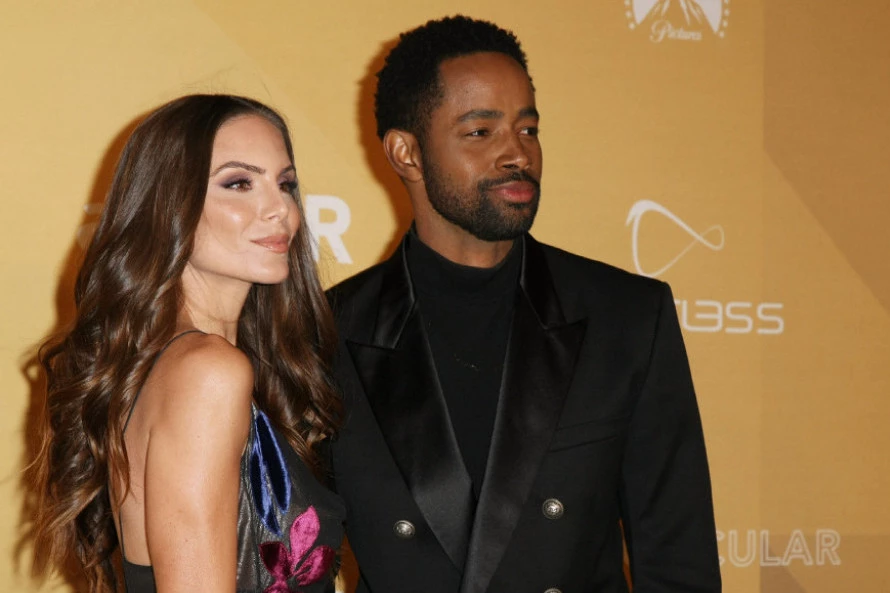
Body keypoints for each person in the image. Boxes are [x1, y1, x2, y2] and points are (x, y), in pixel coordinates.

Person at [327, 15, 721, 593]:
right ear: (406, 153)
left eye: (528, 129)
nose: (517, 153)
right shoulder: (326, 333)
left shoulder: (628, 317)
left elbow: (678, 561)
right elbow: (295, 564)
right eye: (480, 132)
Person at [29, 95, 344, 593]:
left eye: (285, 184)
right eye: (239, 183)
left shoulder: (184, 364)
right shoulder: (206, 372)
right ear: (168, 204)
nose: (280, 209)